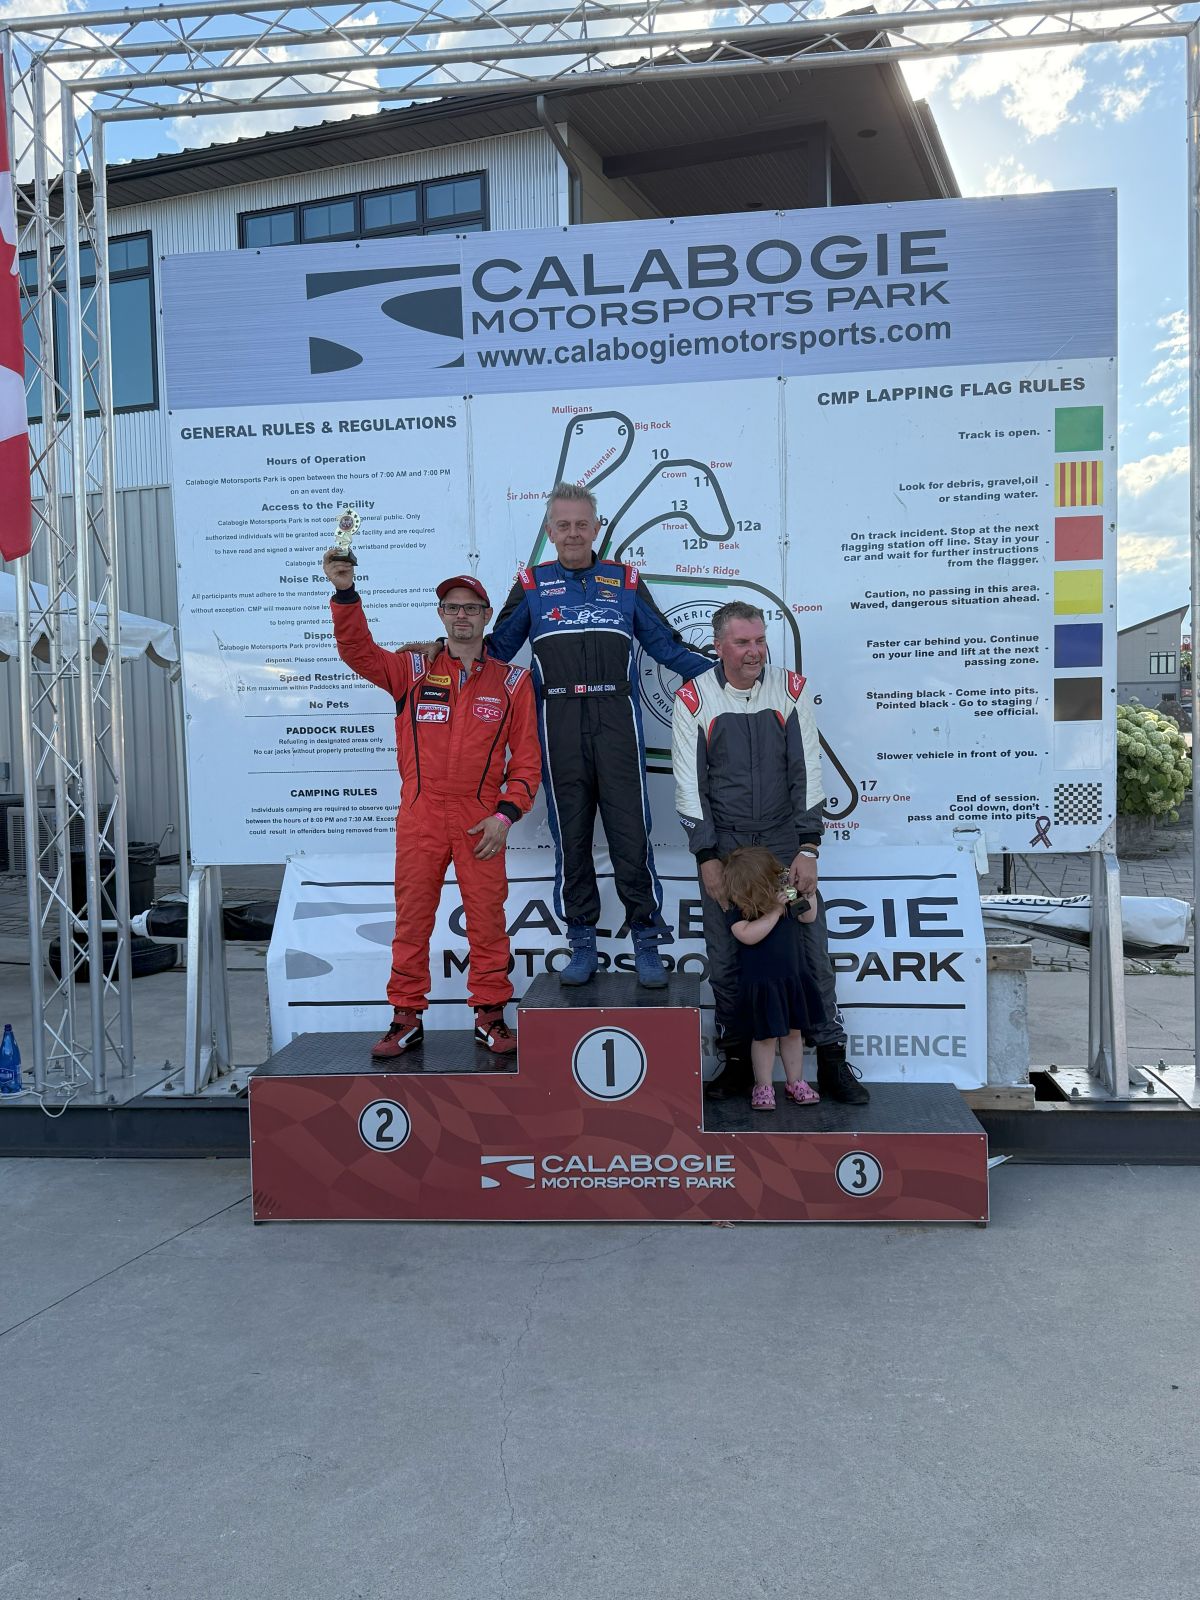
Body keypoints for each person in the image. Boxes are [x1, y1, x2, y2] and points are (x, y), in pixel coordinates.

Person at [485, 481, 714, 988]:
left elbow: (666, 646)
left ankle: (646, 941)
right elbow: (494, 651)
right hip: (559, 720)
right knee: (572, 839)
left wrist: (727, 677)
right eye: (563, 525)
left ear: (596, 529)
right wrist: (440, 652)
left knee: (632, 835)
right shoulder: (531, 584)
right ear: (549, 531)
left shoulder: (625, 580)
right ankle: (581, 942)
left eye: (581, 524)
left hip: (617, 718)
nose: (573, 533)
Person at [324, 551, 540, 1059]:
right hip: (421, 816)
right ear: (441, 614)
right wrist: (345, 593)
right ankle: (405, 1018)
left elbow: (527, 763)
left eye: (471, 608)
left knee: (487, 920)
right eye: (452, 607)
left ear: (487, 616)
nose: (462, 615)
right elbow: (357, 652)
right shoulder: (411, 669)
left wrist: (504, 815)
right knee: (412, 920)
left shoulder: (514, 682)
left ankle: (490, 1016)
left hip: (479, 821)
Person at [671, 599, 869, 1105]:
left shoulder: (791, 689)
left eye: (760, 640)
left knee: (810, 952)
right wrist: (706, 856)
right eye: (743, 642)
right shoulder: (693, 697)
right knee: (727, 957)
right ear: (719, 646)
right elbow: (689, 785)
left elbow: (808, 771)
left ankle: (831, 1059)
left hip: (782, 848)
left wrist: (808, 846)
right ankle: (738, 1063)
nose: (755, 651)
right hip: (729, 852)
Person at [723, 847, 822, 1112]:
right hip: (763, 984)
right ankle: (764, 1085)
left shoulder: (785, 896)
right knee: (764, 1037)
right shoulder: (740, 907)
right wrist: (775, 912)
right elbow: (747, 935)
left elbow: (808, 917)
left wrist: (807, 894)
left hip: (791, 980)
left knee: (793, 1033)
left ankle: (795, 1082)